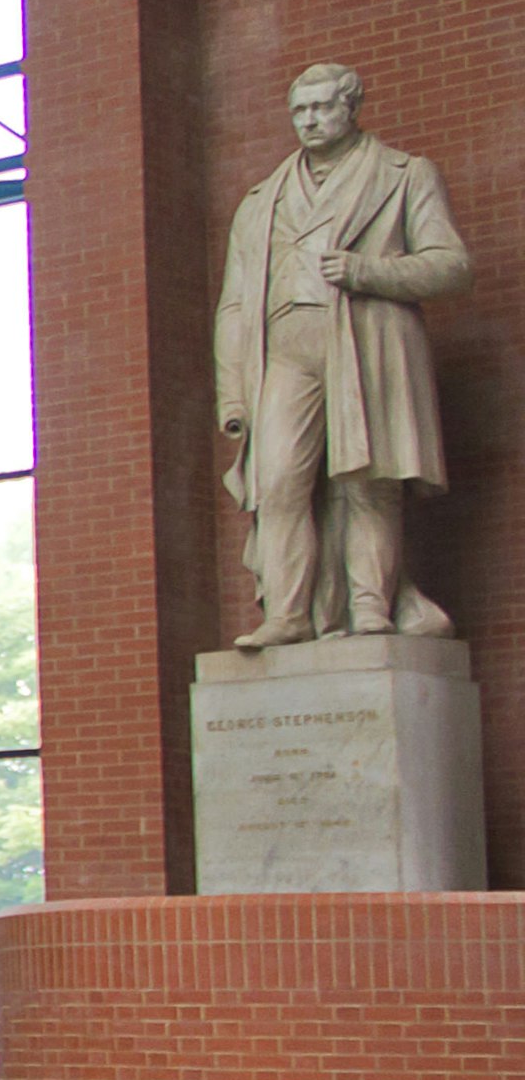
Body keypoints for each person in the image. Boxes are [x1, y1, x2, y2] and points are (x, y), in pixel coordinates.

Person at [211, 63, 471, 647]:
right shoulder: (260, 201)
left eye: (323, 107)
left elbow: (452, 265)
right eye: (300, 111)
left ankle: (371, 607)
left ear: (351, 109)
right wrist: (232, 390)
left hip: (366, 344)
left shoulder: (405, 175)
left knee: (367, 480)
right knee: (277, 483)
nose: (310, 120)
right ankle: (289, 612)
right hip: (285, 354)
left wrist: (368, 271)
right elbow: (233, 304)